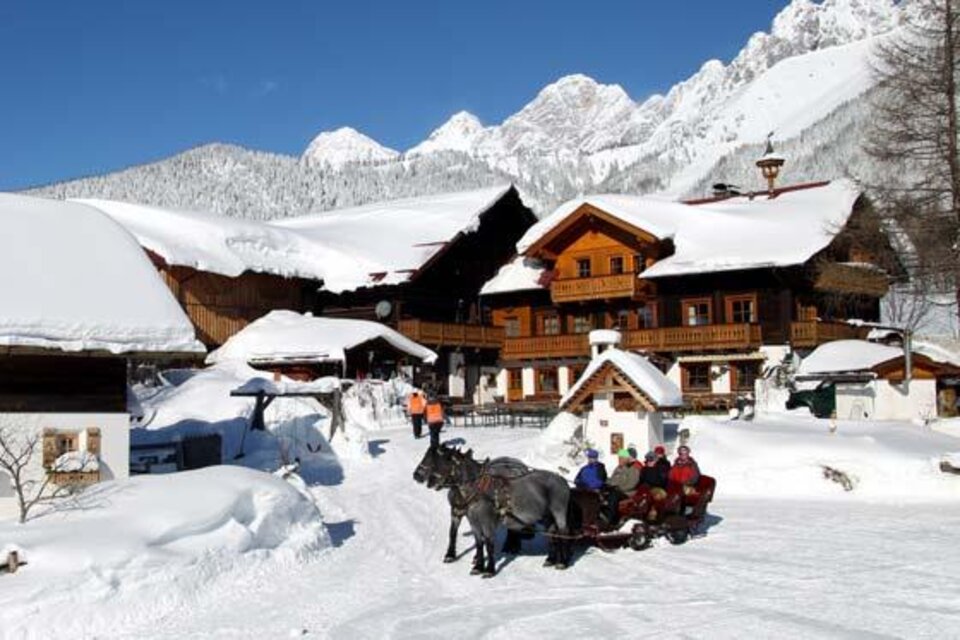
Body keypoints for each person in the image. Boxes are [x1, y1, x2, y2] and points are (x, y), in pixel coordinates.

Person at [605, 448, 641, 523]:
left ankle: (611, 519)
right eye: (619, 458)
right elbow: (613, 479)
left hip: (627, 492)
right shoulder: (619, 468)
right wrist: (606, 482)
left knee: (613, 496)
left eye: (622, 458)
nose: (620, 459)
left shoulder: (634, 468)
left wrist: (618, 488)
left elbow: (631, 484)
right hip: (616, 490)